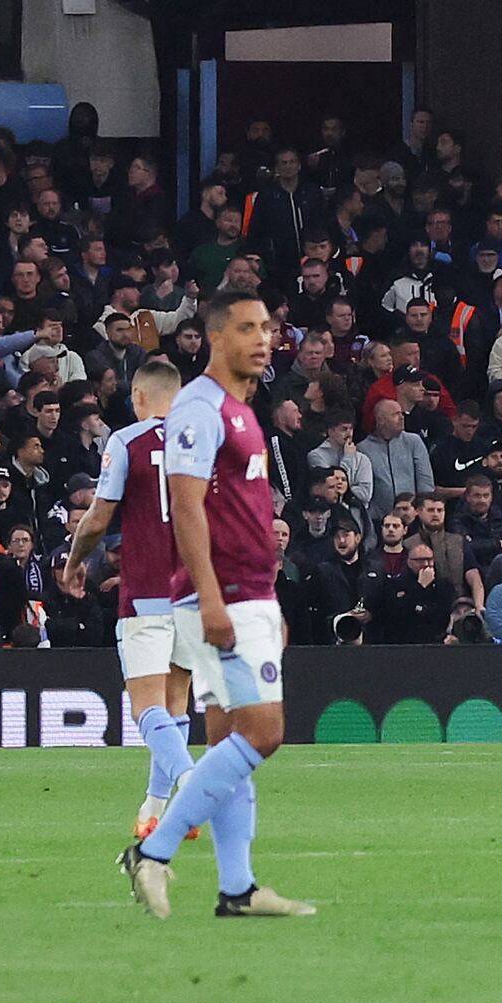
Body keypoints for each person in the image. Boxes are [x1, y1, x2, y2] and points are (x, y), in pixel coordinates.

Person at [128, 292, 316, 924]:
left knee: (229, 738)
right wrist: (212, 598)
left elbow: (242, 514)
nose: (263, 338)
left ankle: (236, 887)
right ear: (215, 337)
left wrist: (271, 598)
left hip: (250, 594)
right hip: (224, 598)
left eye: (267, 326)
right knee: (265, 733)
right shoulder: (200, 410)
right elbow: (185, 507)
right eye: (246, 328)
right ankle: (151, 851)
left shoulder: (241, 410)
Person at [66, 355, 192, 851]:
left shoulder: (127, 441)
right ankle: (153, 812)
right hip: (197, 594)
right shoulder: (208, 443)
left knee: (145, 708)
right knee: (176, 703)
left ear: (139, 398)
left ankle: (192, 789)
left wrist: (76, 560)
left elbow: (98, 518)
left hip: (147, 592)